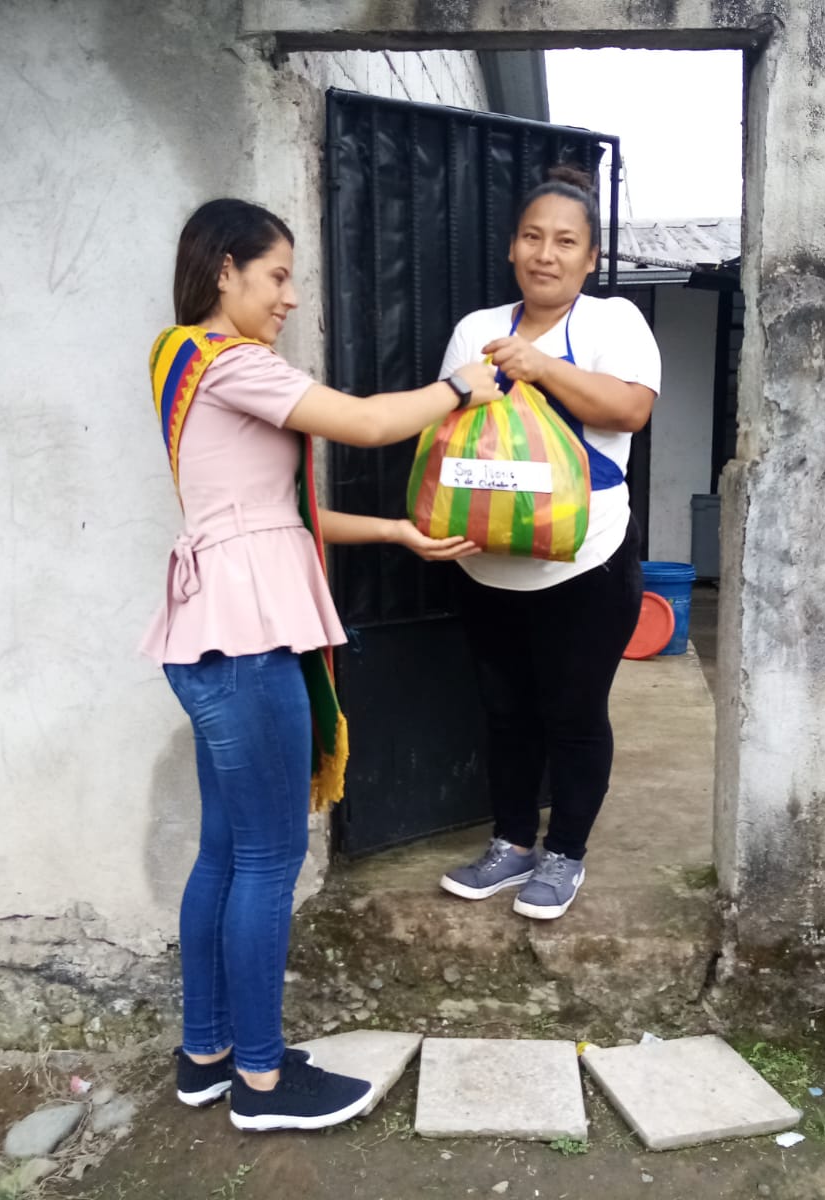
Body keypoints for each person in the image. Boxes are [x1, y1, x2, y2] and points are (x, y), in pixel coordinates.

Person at [141, 198, 500, 1132]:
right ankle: (263, 1083)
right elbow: (370, 423)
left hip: (210, 634)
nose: (290, 297)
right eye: (277, 275)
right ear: (224, 270)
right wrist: (465, 388)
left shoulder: (179, 360)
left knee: (227, 854)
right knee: (268, 859)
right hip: (247, 639)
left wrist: (395, 531)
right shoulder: (230, 360)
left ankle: (207, 1056)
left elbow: (277, 513)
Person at [437, 165, 661, 921]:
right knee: (504, 711)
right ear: (511, 248)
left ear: (590, 258)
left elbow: (630, 410)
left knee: (574, 712)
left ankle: (565, 852)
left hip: (586, 558)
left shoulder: (613, 323)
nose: (546, 253)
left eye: (566, 242)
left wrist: (540, 366)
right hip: (488, 556)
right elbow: (453, 426)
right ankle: (511, 844)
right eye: (532, 237)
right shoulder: (475, 329)